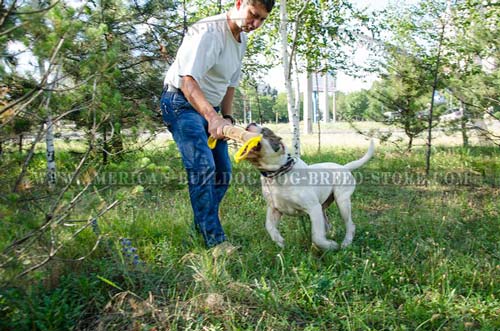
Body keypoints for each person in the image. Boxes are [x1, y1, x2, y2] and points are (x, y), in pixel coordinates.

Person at [160, 0, 275, 251]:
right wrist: (213, 118)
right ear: (239, 3)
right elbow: (188, 82)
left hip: (211, 110)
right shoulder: (208, 32)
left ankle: (200, 228)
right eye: (253, 15)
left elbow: (229, 84)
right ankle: (215, 242)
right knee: (203, 167)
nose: (255, 24)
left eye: (262, 20)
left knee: (223, 172)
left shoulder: (241, 40)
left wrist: (227, 118)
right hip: (180, 102)